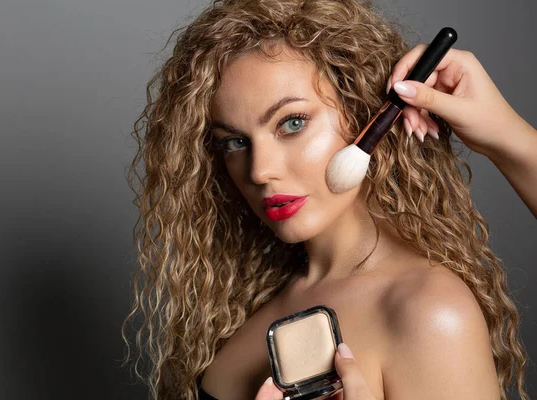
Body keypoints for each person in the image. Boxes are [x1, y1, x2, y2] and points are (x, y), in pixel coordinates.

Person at [121, 0, 536, 399]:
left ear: (363, 116)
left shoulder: (427, 313)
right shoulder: (242, 304)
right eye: (234, 141)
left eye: (293, 122)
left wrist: (508, 137)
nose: (260, 170)